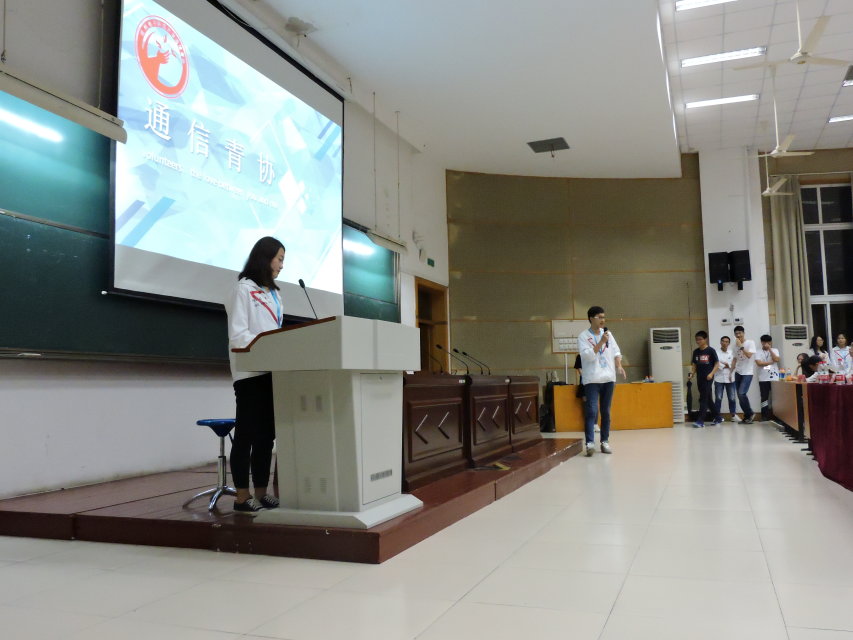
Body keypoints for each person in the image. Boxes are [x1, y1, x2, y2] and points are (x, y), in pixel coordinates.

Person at [224, 236, 285, 514]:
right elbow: (239, 335)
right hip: (249, 373)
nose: (282, 265)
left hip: (272, 371)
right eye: (279, 259)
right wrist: (269, 346)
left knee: (266, 437)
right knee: (246, 435)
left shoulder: (275, 294)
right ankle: (242, 497)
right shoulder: (243, 289)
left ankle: (261, 493)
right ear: (265, 257)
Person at [578, 306, 626, 456]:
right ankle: (590, 443)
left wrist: (619, 365)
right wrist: (601, 342)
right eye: (599, 317)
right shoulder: (583, 336)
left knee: (606, 411)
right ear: (591, 318)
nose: (603, 320)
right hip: (592, 379)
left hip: (608, 378)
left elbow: (616, 351)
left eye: (604, 317)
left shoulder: (608, 334)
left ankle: (605, 441)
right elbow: (587, 356)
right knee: (592, 410)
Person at [688, 331, 720, 427]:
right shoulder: (696, 352)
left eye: (700, 339)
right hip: (700, 378)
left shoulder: (711, 350)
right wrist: (692, 374)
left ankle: (700, 421)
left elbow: (717, 364)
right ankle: (718, 417)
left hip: (708, 378)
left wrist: (711, 374)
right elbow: (694, 365)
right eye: (696, 339)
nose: (698, 341)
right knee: (708, 398)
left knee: (703, 399)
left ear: (705, 339)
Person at [733, 325, 756, 423]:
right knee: (739, 395)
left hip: (747, 372)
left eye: (740, 333)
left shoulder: (750, 342)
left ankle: (750, 413)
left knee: (742, 393)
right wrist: (731, 371)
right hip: (738, 372)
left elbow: (749, 355)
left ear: (743, 333)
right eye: (736, 333)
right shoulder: (734, 345)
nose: (738, 335)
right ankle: (747, 416)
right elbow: (735, 359)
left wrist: (741, 347)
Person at [755, 334, 780, 420]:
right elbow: (759, 363)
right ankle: (764, 416)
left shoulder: (775, 350)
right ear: (762, 342)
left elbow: (776, 359)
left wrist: (770, 349)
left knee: (776, 397)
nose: (767, 344)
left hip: (775, 378)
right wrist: (770, 363)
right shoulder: (758, 352)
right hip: (763, 378)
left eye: (769, 342)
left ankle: (777, 416)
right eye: (765, 342)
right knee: (764, 398)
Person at [714, 336, 737, 422]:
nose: (724, 343)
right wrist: (726, 365)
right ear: (720, 342)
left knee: (732, 398)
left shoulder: (732, 353)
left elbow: (735, 364)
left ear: (729, 343)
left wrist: (728, 365)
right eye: (723, 341)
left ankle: (733, 415)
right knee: (718, 398)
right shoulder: (715, 353)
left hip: (730, 379)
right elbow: (715, 364)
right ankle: (717, 416)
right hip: (718, 378)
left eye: (727, 341)